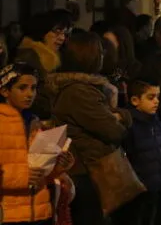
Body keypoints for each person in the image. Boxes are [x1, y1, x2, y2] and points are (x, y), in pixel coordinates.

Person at [47, 32, 133, 225]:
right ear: (88, 55)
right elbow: (114, 130)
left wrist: (118, 115)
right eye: (100, 52)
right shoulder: (79, 91)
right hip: (86, 170)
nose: (103, 56)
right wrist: (123, 116)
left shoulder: (81, 88)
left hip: (85, 168)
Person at [0, 62, 75, 225]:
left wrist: (58, 167)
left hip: (40, 213)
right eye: (22, 88)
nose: (29, 94)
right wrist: (22, 176)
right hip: (9, 215)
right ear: (5, 90)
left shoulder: (35, 124)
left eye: (33, 88)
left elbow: (41, 171)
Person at [114, 79, 161, 225]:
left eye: (158, 96)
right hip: (139, 189)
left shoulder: (156, 120)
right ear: (135, 100)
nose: (156, 101)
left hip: (157, 185)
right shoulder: (130, 124)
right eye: (151, 97)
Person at [16, 10, 72, 119]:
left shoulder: (59, 56)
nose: (62, 38)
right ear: (42, 31)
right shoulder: (29, 56)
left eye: (64, 33)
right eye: (57, 31)